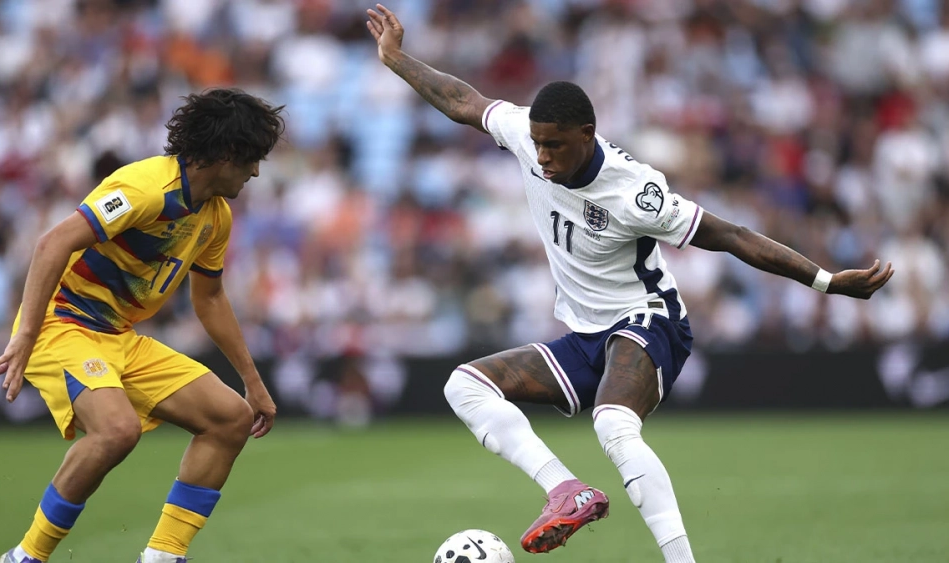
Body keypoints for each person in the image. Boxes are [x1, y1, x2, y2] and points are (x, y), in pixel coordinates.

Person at [366, 5, 895, 561]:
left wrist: (826, 281)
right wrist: (398, 60)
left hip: (650, 320)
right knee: (463, 385)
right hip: (585, 334)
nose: (542, 157)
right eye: (538, 144)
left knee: (614, 425)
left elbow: (731, 234)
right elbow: (463, 101)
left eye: (556, 146)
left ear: (587, 135)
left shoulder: (635, 192)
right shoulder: (526, 134)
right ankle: (565, 489)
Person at [0, 88, 284, 563]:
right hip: (61, 324)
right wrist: (24, 335)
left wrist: (252, 382)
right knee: (116, 431)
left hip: (118, 338)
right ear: (227, 153)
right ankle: (26, 557)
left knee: (230, 419)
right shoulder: (146, 189)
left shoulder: (215, 215)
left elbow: (209, 297)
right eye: (252, 159)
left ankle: (163, 557)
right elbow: (52, 244)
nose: (255, 172)